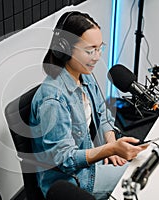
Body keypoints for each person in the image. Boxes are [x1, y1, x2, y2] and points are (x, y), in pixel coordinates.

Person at [29, 11, 148, 200]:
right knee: (140, 179)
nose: (96, 57)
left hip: (90, 166)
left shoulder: (84, 74)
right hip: (69, 182)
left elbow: (103, 112)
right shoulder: (52, 100)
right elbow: (65, 160)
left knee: (145, 164)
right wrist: (110, 150)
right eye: (90, 50)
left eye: (100, 48)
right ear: (65, 49)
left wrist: (110, 142)